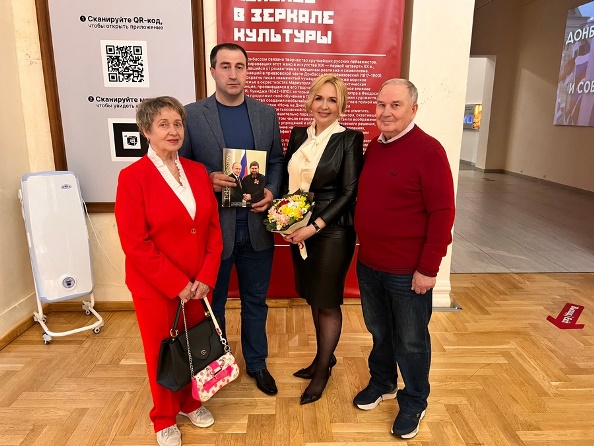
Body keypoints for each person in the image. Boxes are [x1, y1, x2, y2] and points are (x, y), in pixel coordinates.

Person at [115, 96, 223, 446]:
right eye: (163, 124)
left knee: (195, 345)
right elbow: (135, 243)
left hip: (198, 284)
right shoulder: (132, 177)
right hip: (157, 287)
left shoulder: (197, 171)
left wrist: (206, 275)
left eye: (177, 123)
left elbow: (212, 228)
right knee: (162, 352)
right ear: (146, 130)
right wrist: (177, 283)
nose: (173, 131)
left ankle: (190, 403)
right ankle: (163, 417)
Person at [353, 79, 455, 439]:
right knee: (379, 330)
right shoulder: (375, 146)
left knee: (411, 340)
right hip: (370, 264)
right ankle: (383, 382)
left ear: (413, 110)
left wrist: (428, 269)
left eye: (395, 105)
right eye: (381, 104)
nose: (386, 112)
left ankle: (414, 400)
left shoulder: (429, 151)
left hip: (407, 271)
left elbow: (443, 213)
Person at [180, 43, 284, 396]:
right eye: (225, 66)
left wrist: (271, 190)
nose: (233, 73)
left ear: (247, 71)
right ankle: (218, 363)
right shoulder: (192, 115)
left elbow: (276, 161)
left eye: (240, 66)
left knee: (256, 302)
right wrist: (205, 179)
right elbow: (180, 166)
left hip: (255, 229)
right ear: (213, 71)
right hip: (214, 233)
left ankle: (257, 363)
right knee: (215, 305)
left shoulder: (266, 114)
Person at [282, 74, 364, 404]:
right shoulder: (298, 135)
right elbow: (289, 180)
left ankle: (322, 373)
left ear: (341, 106)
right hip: (299, 226)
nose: (325, 105)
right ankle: (322, 358)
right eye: (319, 98)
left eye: (332, 100)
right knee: (313, 297)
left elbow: (348, 193)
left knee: (327, 301)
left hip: (332, 229)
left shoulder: (350, 139)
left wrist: (313, 226)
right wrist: (285, 219)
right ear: (310, 101)